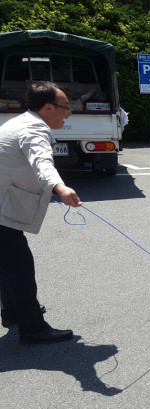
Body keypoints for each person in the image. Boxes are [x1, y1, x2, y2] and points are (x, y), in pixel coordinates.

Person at [0, 81, 81, 344]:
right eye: (65, 107)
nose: (68, 113)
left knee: (8, 265)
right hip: (2, 211)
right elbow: (42, 163)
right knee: (20, 268)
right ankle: (32, 327)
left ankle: (13, 313)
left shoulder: (20, 122)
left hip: (4, 206)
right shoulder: (34, 129)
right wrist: (61, 188)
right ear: (48, 107)